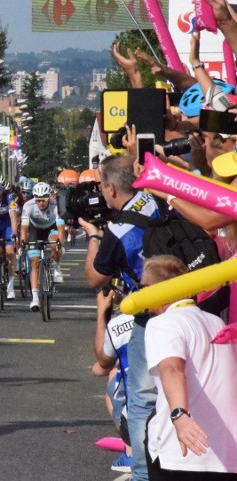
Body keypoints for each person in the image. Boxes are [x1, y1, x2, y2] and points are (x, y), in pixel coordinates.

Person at [79, 154, 162, 481]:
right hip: (187, 299)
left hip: (148, 310)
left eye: (101, 185)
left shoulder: (117, 228)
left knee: (139, 398)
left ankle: (140, 471)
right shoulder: (154, 200)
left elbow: (95, 279)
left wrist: (94, 236)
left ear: (111, 189)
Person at [141, 255, 237, 479]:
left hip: (180, 452)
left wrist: (179, 415)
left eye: (142, 287)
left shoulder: (162, 324)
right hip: (224, 453)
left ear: (159, 290)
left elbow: (172, 368)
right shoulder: (216, 322)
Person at [92, 285, 135, 474]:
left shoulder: (121, 324)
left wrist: (102, 313)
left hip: (147, 407)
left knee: (114, 374)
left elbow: (100, 366)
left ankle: (131, 451)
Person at [20, 181, 66, 312]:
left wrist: (60, 246)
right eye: (38, 200)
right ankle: (35, 298)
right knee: (34, 263)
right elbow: (24, 228)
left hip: (51, 228)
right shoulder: (28, 206)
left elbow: (61, 229)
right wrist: (23, 242)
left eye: (43, 200)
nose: (41, 203)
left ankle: (56, 267)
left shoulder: (56, 205)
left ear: (48, 198)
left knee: (54, 244)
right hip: (35, 229)